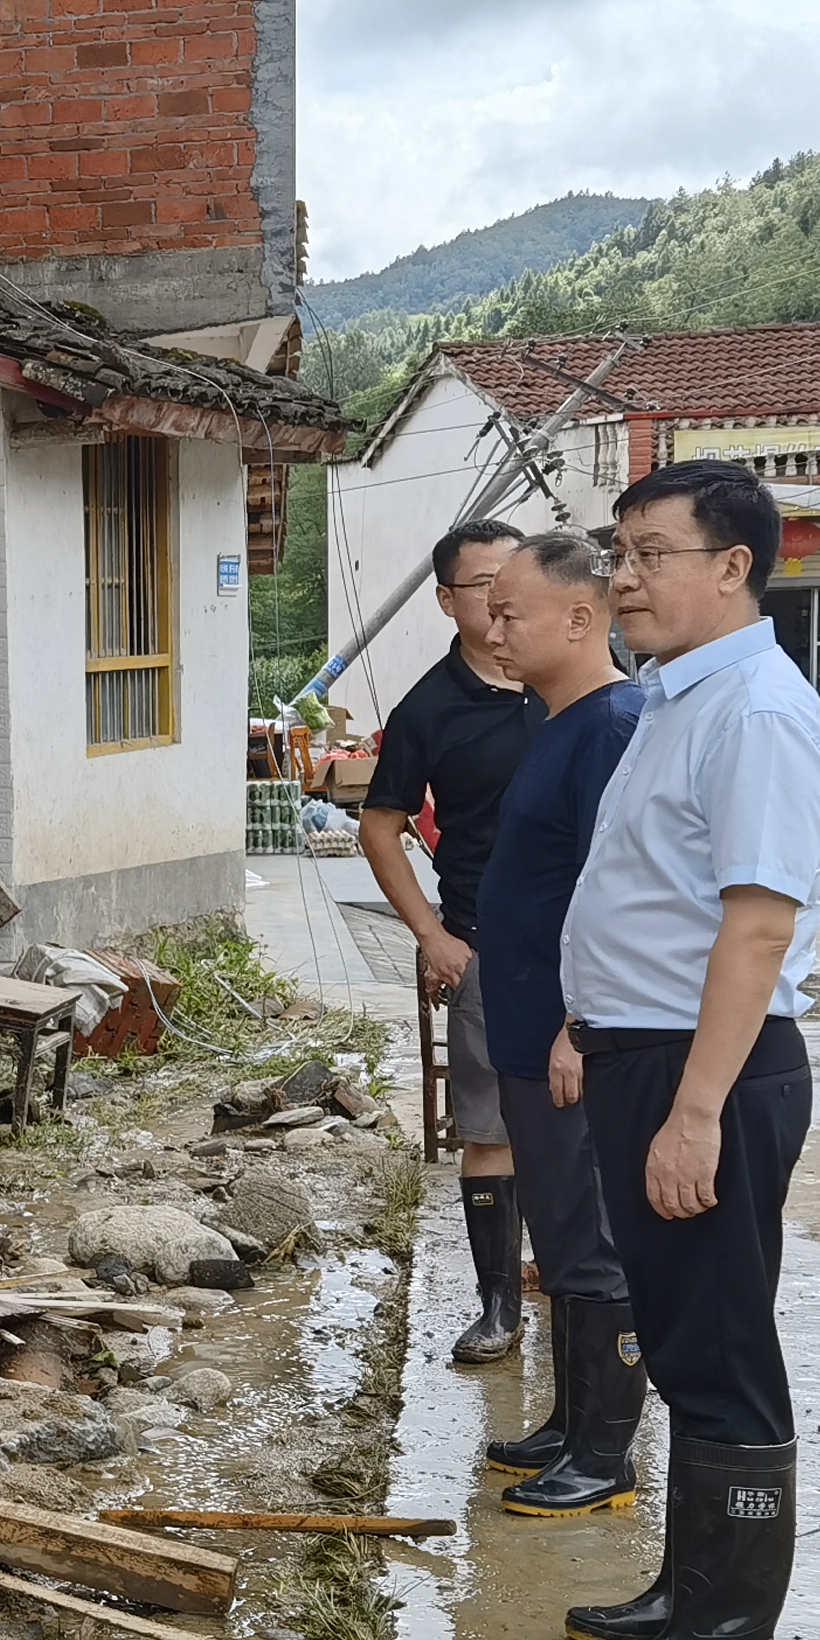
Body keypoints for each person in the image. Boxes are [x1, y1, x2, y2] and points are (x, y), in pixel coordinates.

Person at [549, 458, 820, 1640]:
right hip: (644, 1051)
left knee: (719, 1346)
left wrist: (695, 1109)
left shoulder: (757, 712)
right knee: (677, 1336)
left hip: (705, 1064)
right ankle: (689, 1588)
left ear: (731, 566)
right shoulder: (678, 698)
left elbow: (756, 931)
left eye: (646, 552)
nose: (621, 578)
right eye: (617, 551)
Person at [467, 530, 653, 1518]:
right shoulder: (557, 721)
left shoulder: (612, 725)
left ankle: (606, 1450)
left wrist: (581, 1023)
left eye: (510, 614)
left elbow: (614, 889)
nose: (494, 632)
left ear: (581, 619)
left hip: (569, 1036)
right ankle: (570, 1420)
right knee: (560, 1226)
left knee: (590, 1240)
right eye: (492, 613)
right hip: (528, 1022)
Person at [358, 520, 543, 1367]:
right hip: (483, 943)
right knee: (491, 1129)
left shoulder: (578, 680)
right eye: (485, 583)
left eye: (518, 576)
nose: (504, 597)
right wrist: (432, 935)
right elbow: (381, 827)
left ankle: (595, 1292)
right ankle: (498, 1307)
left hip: (596, 946)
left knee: (601, 1123)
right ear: (447, 601)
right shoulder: (428, 708)